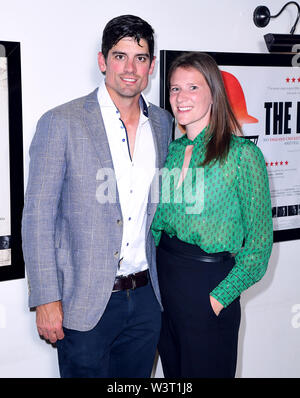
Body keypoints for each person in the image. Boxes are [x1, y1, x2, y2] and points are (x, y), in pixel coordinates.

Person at [22, 15, 173, 378]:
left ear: (151, 66)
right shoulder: (61, 122)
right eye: (120, 56)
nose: (130, 68)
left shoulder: (163, 124)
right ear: (103, 60)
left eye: (140, 58)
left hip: (146, 299)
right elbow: (37, 216)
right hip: (83, 303)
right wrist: (46, 299)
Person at [151, 52, 273, 378]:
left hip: (209, 286)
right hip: (165, 286)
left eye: (192, 87)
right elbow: (155, 226)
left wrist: (219, 299)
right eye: (175, 89)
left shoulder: (243, 156)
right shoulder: (170, 152)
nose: (181, 97)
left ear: (214, 94)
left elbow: (260, 246)